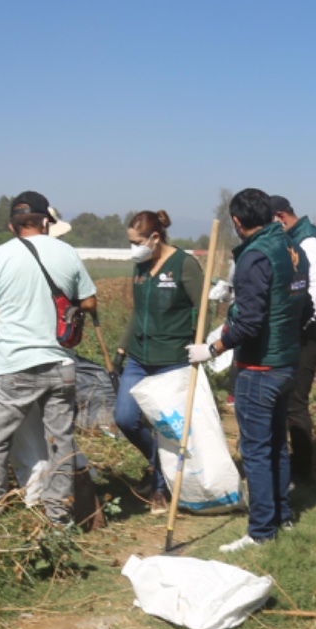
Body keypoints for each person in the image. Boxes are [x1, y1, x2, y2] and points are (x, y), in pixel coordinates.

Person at [0, 192, 98, 524]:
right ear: (46, 222)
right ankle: (59, 518)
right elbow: (90, 303)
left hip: (13, 365)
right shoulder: (67, 253)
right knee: (60, 442)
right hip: (60, 364)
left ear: (12, 226)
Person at [189, 188, 308, 552]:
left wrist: (212, 348)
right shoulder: (292, 248)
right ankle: (282, 516)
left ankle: (260, 531)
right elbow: (299, 305)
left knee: (256, 451)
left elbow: (250, 323)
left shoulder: (255, 256)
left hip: (260, 367)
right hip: (287, 362)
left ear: (237, 221)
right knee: (276, 445)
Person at [112, 210, 206, 510]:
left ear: (155, 237)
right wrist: (122, 349)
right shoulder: (140, 265)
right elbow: (138, 311)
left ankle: (160, 489)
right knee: (125, 418)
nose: (134, 248)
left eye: (137, 242)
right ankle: (157, 463)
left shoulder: (185, 265)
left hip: (173, 357)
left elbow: (203, 308)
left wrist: (200, 345)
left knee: (166, 425)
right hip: (139, 357)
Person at [268, 196, 316, 483]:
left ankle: (302, 470)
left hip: (310, 334)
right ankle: (290, 461)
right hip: (301, 331)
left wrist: (299, 324)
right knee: (288, 399)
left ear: (281, 216)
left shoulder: (308, 241)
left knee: (295, 400)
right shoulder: (294, 238)